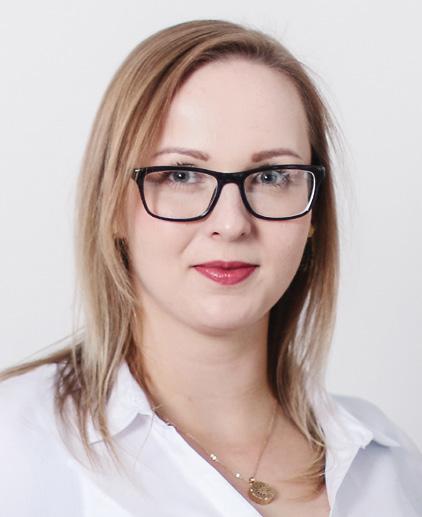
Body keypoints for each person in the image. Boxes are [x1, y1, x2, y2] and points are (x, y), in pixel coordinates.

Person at [0, 19, 421, 517]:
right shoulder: (16, 445)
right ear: (111, 205)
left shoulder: (388, 465)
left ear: (313, 216)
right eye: (181, 174)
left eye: (272, 176)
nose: (231, 223)